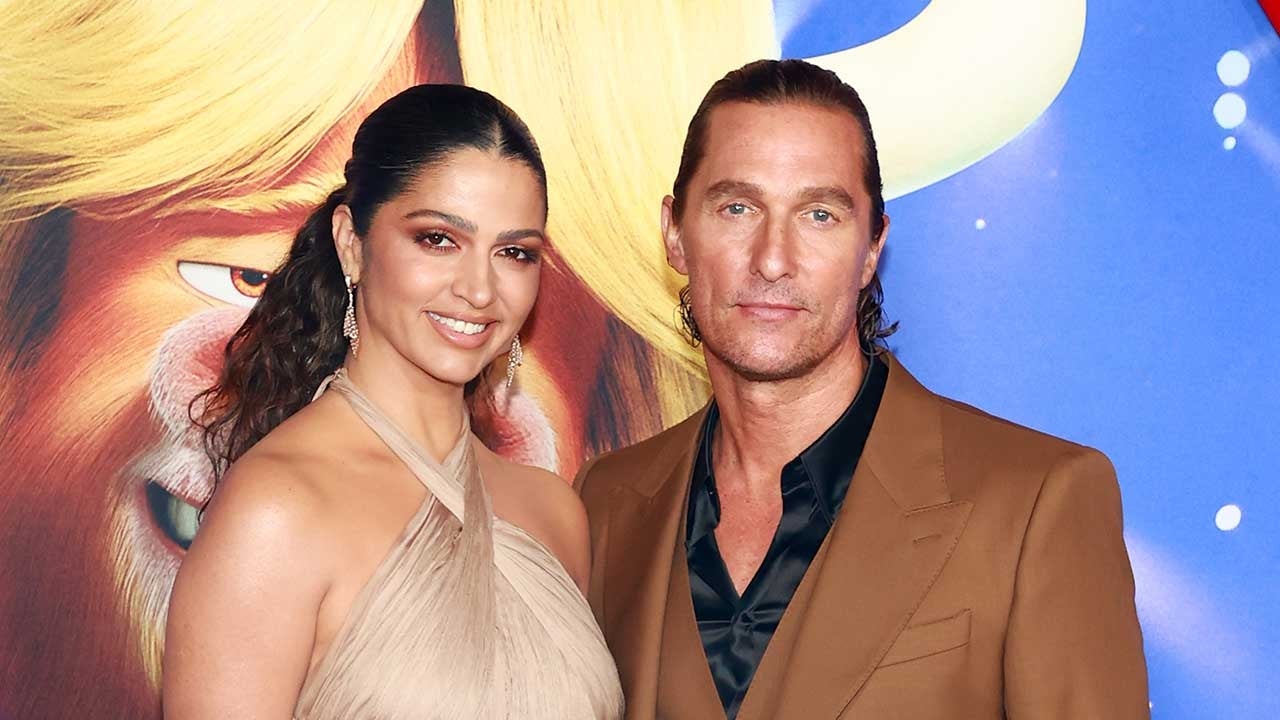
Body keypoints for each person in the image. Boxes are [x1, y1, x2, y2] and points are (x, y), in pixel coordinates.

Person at [574, 59, 1149, 719]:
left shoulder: (1037, 502)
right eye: (737, 208)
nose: (772, 259)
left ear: (873, 247)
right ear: (675, 234)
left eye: (819, 215)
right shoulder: (605, 502)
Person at [162, 84, 622, 719]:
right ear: (351, 243)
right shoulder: (275, 510)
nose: (479, 290)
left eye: (514, 253)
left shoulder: (554, 512)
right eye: (438, 239)